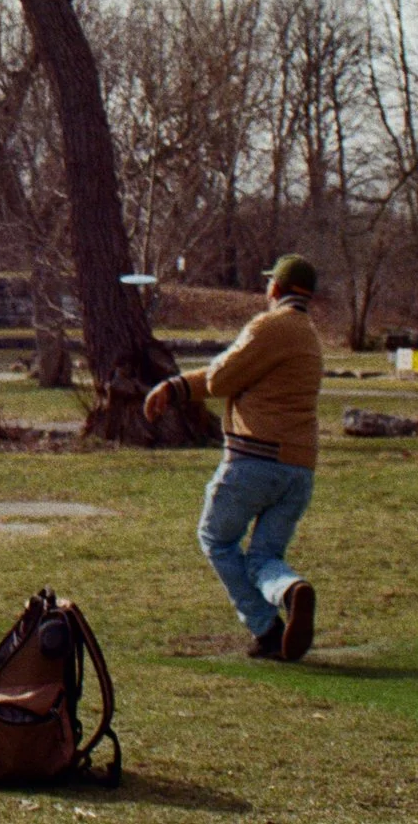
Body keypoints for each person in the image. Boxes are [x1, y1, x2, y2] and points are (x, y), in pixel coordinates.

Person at [144, 254, 325, 661]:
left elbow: (221, 378)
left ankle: (266, 628)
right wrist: (175, 387)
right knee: (264, 557)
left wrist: (177, 387)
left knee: (216, 539)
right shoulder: (308, 336)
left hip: (254, 462)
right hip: (299, 470)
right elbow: (230, 376)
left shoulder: (268, 327)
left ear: (275, 288)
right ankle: (289, 589)